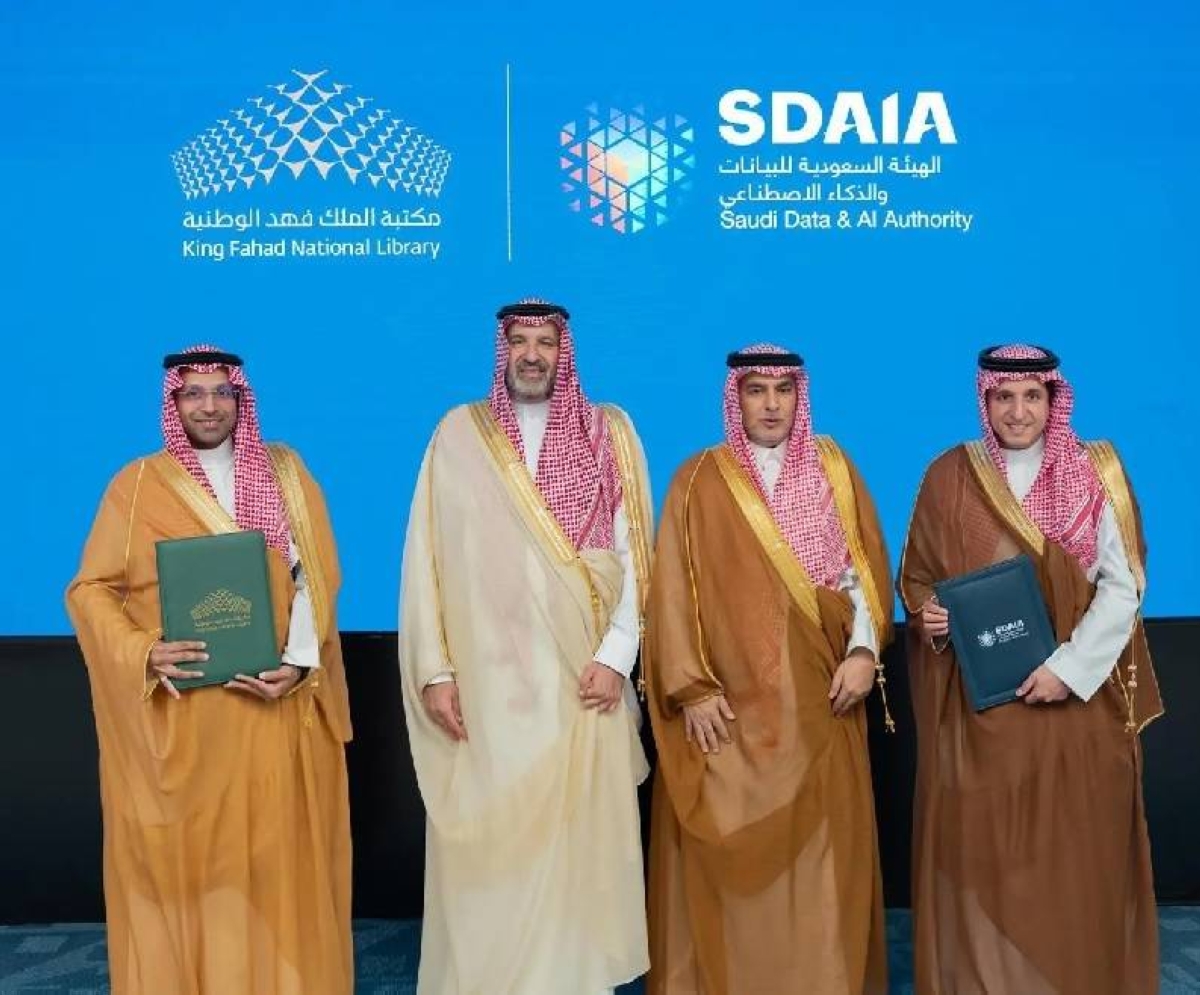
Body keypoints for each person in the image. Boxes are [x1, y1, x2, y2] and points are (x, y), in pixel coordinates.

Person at [66, 345, 354, 995]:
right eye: (193, 393)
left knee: (277, 864)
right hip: (189, 724)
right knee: (202, 872)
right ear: (173, 402)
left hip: (275, 709)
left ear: (240, 399)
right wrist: (143, 648)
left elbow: (315, 576)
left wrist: (297, 662)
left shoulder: (286, 473)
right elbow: (89, 590)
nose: (209, 406)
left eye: (222, 392)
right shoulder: (137, 484)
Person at [398, 299, 653, 994]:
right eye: (520, 341)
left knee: (577, 852)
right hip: (488, 690)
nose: (533, 355)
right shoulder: (457, 435)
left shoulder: (608, 432)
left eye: (546, 342)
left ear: (564, 351)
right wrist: (434, 671)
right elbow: (426, 559)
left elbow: (633, 556)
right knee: (491, 856)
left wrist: (617, 657)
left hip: (581, 683)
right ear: (501, 349)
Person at [900, 343, 1162, 994]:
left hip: (1076, 706)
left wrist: (1067, 669)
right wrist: (929, 615)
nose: (1018, 411)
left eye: (1031, 397)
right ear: (984, 400)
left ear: (1053, 399)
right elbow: (919, 579)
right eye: (1003, 397)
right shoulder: (948, 475)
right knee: (983, 860)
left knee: (1069, 864)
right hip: (978, 715)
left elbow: (1122, 586)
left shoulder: (1094, 471)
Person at [645, 343, 893, 995]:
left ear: (799, 397)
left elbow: (863, 576)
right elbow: (671, 592)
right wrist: (690, 688)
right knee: (729, 872)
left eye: (784, 390)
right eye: (756, 390)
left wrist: (864, 652)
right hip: (728, 716)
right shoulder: (698, 479)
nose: (772, 404)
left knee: (821, 863)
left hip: (821, 703)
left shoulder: (834, 469)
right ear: (736, 398)